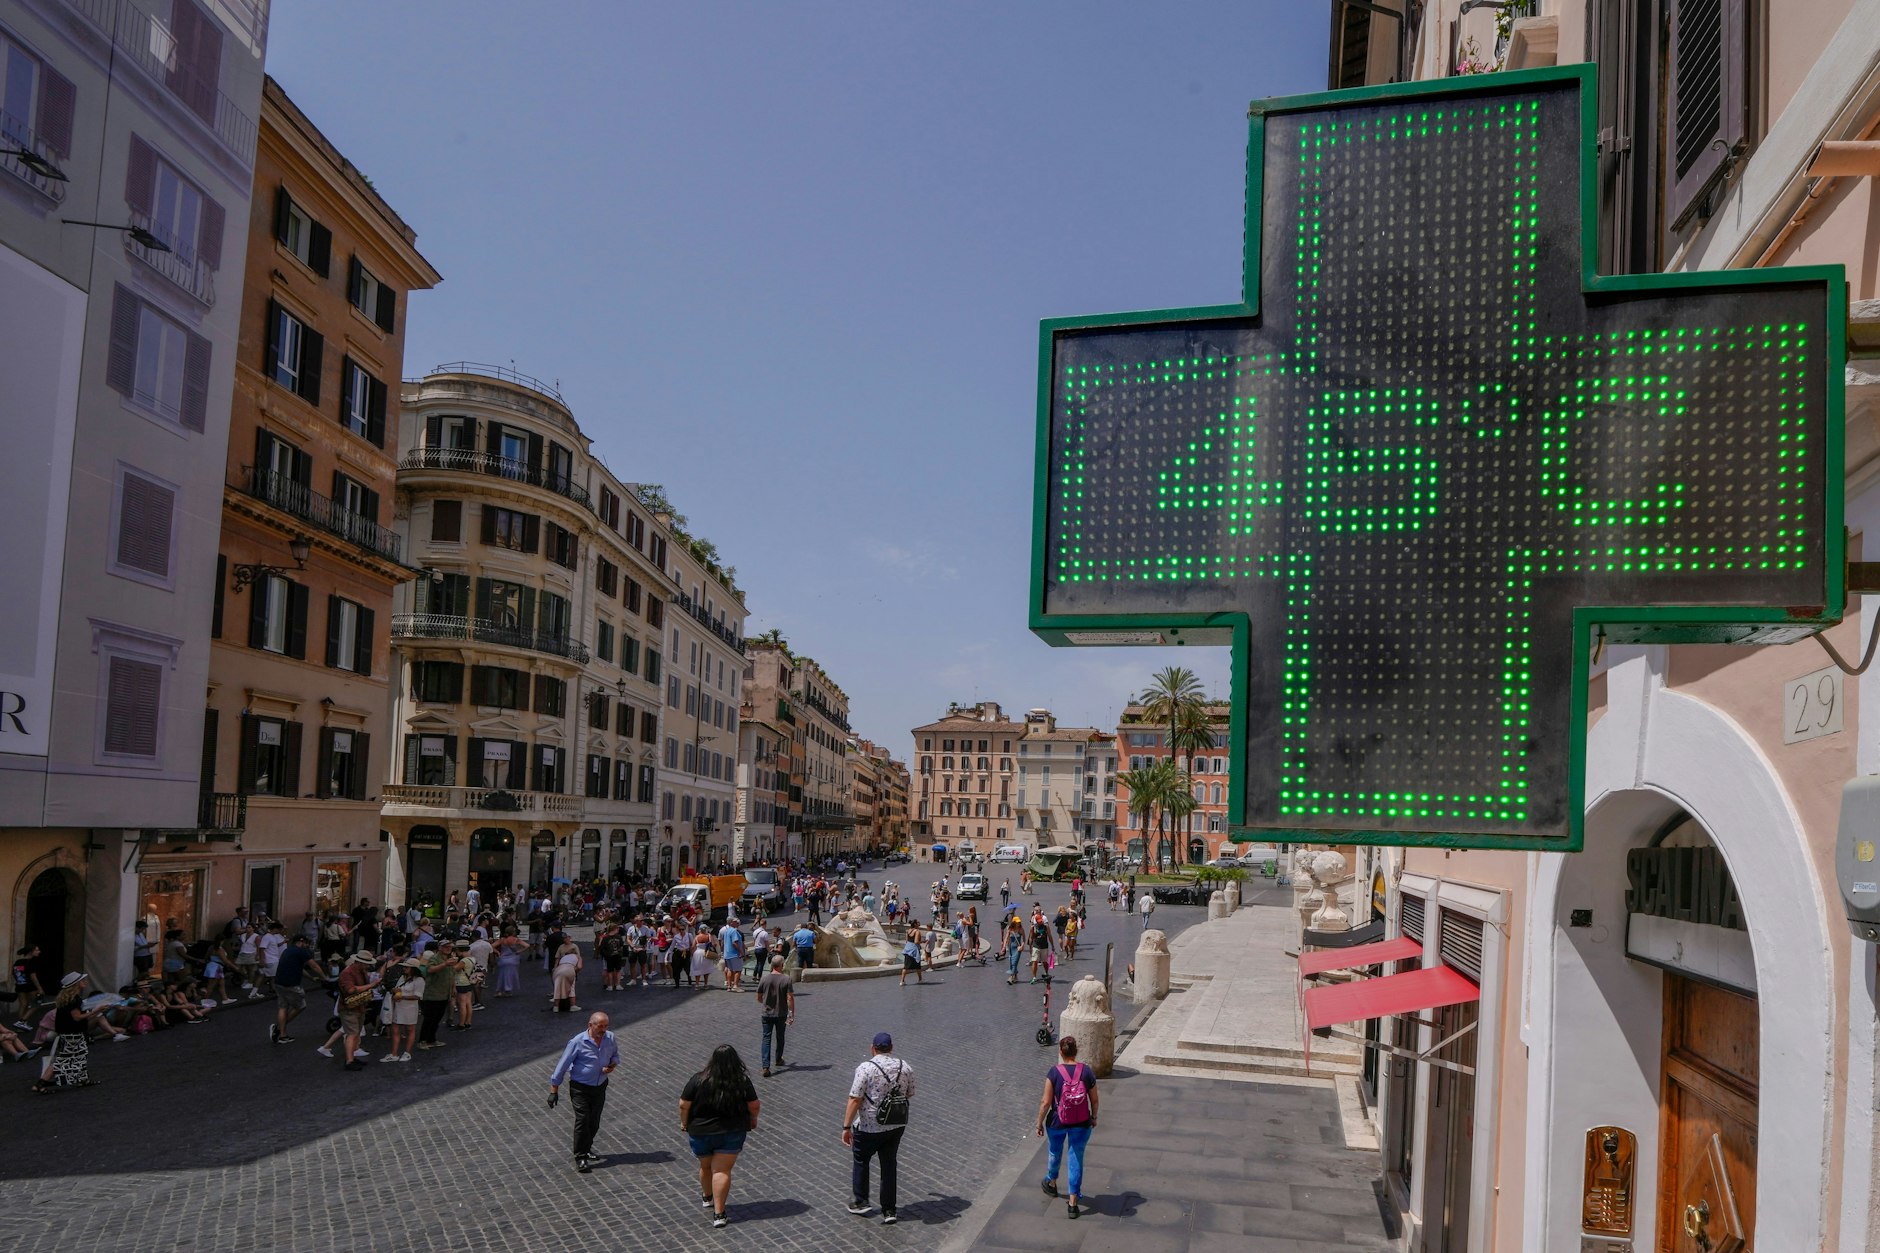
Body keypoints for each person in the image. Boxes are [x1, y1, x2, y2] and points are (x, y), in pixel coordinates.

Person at [680, 1044, 761, 1228]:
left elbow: (684, 1104)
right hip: (731, 1132)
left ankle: (707, 1196)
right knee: (721, 1171)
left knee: (705, 1166)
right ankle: (719, 1214)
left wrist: (684, 1123)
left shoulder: (698, 1079)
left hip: (700, 1132)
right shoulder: (741, 1080)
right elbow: (754, 1104)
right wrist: (753, 1119)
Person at [843, 1031, 913, 1225]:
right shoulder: (904, 1067)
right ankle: (889, 1209)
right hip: (896, 1125)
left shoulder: (866, 1068)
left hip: (869, 1126)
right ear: (891, 1048)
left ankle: (861, 1200)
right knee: (889, 1164)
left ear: (872, 1048)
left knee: (861, 1158)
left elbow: (855, 1098)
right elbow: (909, 1093)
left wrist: (846, 1126)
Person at [1035, 1034, 1100, 1217]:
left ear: (1060, 1052)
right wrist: (1093, 1117)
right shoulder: (1086, 1071)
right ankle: (1073, 1202)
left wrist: (1039, 1123)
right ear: (1076, 1051)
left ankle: (1052, 1182)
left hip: (1057, 1121)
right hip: (1081, 1122)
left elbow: (1045, 1102)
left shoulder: (1054, 1072)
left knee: (1055, 1152)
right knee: (1075, 1158)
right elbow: (1094, 1100)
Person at [550, 1011, 620, 1172]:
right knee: (583, 1119)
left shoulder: (610, 1037)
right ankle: (580, 1156)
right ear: (590, 1025)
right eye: (600, 1026)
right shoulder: (577, 1042)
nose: (603, 1030)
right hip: (580, 1087)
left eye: (606, 1026)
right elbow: (562, 1065)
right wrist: (554, 1089)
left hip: (600, 1085)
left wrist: (611, 1067)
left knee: (594, 1121)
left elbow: (615, 1056)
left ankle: (587, 1148)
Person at [33, 972, 96, 1092]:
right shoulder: (74, 1000)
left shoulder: (68, 998)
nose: (85, 982)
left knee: (81, 1054)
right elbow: (77, 1017)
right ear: (76, 985)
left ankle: (82, 1079)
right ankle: (40, 1084)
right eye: (82, 981)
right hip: (72, 1034)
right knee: (63, 1059)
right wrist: (96, 1011)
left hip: (69, 1033)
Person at [271, 934, 326, 1045]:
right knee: (300, 1006)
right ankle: (278, 1028)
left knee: (283, 1007)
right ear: (301, 941)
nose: (306, 946)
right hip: (291, 985)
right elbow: (314, 966)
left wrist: (311, 978)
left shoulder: (288, 951)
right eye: (306, 943)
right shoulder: (301, 952)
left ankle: (282, 1035)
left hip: (278, 983)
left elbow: (299, 969)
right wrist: (324, 978)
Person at [754, 953, 794, 1077]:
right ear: (781, 965)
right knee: (780, 1037)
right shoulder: (786, 979)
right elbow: (790, 998)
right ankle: (778, 1059)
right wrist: (791, 1013)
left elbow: (758, 997)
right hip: (781, 1013)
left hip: (766, 1013)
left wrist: (765, 1003)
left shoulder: (764, 978)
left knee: (766, 1038)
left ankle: (765, 1066)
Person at [415, 942, 460, 1049]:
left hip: (445, 993)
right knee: (429, 1018)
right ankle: (422, 1041)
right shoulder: (434, 958)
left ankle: (432, 1039)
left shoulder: (450, 959)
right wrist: (445, 964)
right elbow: (430, 969)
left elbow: (452, 973)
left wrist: (453, 987)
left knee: (437, 1018)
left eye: (450, 947)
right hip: (433, 994)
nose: (448, 949)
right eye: (445, 947)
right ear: (440, 948)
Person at [383, 958, 422, 1061]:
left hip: (410, 1008)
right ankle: (394, 1053)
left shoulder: (419, 980)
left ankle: (407, 1052)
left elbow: (418, 996)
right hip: (399, 1007)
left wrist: (402, 996)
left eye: (406, 967)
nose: (404, 968)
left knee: (410, 1030)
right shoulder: (402, 978)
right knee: (395, 1030)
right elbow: (397, 988)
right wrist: (395, 991)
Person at [491, 925, 527, 996]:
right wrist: (519, 951)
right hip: (513, 959)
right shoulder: (516, 940)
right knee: (510, 975)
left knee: (501, 975)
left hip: (503, 959)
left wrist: (498, 952)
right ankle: (508, 989)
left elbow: (491, 946)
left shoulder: (502, 940)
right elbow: (527, 945)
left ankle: (499, 991)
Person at [12, 944, 43, 1024]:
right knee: (36, 1003)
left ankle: (20, 1024)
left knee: (23, 1004)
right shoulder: (31, 962)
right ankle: (23, 1021)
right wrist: (39, 988)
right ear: (31, 952)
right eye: (37, 950)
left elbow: (15, 974)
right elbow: (33, 977)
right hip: (30, 986)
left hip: (20, 985)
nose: (39, 952)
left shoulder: (18, 962)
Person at [552, 936, 583, 1012]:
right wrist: (575, 972)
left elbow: (557, 961)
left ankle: (556, 1007)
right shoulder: (577, 956)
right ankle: (572, 1006)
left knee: (557, 987)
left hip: (558, 970)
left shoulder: (564, 957)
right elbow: (579, 967)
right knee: (571, 987)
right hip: (569, 969)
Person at [1028, 908, 1055, 984]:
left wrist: (1052, 945)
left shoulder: (1046, 926)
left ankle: (1046, 973)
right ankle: (1034, 977)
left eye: (1041, 921)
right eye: (1039, 921)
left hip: (1044, 946)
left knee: (1044, 961)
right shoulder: (1033, 928)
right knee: (1034, 961)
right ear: (1036, 921)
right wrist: (1030, 947)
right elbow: (1031, 937)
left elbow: (1049, 936)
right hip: (1036, 945)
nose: (1040, 923)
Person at [718, 918, 746, 992]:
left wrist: (723, 952)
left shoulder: (726, 931)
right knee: (738, 970)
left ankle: (729, 986)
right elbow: (735, 942)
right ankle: (735, 986)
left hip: (727, 954)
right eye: (735, 922)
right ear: (731, 923)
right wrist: (741, 951)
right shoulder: (734, 931)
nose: (737, 923)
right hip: (734, 954)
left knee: (730, 970)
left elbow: (722, 942)